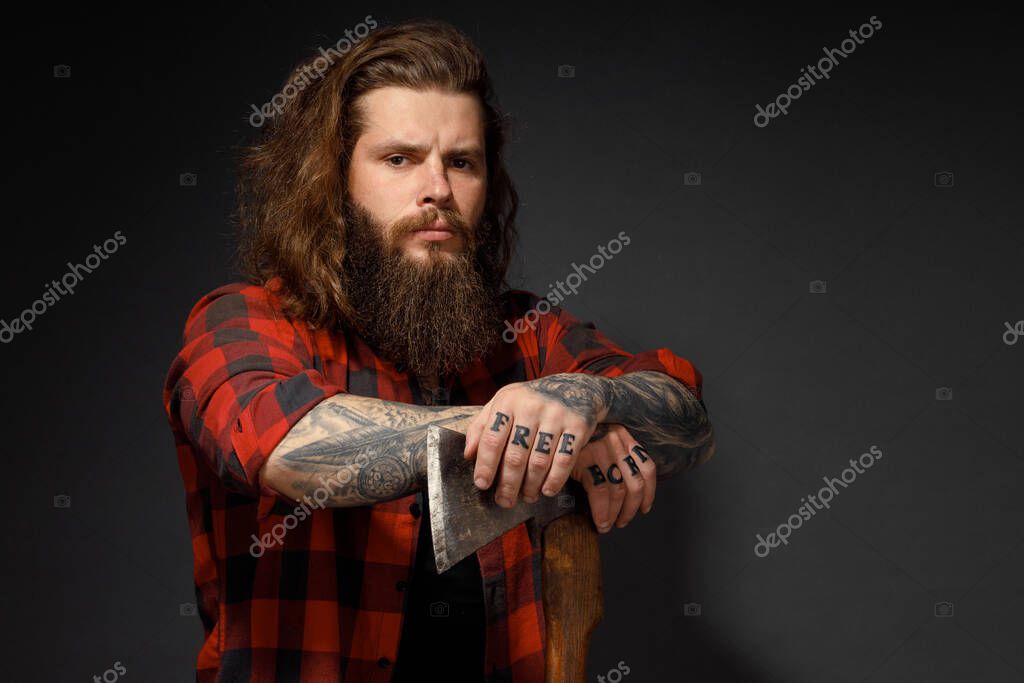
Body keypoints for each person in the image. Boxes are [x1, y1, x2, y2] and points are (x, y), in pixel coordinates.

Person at [162, 18, 716, 683]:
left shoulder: (528, 335)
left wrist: (584, 397)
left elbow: (684, 416)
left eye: (462, 162)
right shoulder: (244, 320)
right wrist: (541, 431)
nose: (438, 191)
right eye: (399, 159)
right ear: (333, 181)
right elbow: (291, 450)